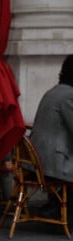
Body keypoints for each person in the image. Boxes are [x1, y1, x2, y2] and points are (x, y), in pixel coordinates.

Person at [29, 55, 73, 215]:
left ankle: (57, 206)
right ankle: (62, 209)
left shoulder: (54, 91)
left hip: (39, 159)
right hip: (53, 162)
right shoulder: (69, 96)